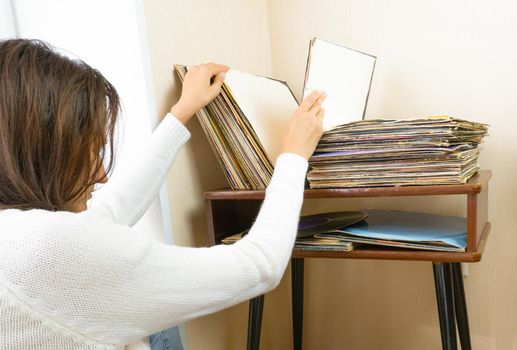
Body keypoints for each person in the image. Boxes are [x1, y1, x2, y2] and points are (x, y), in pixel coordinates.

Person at [0, 39, 325, 350]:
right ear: (47, 154)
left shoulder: (16, 237)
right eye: (92, 153)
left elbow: (108, 212)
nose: (101, 174)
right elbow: (261, 264)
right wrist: (294, 156)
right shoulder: (55, 252)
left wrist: (181, 113)